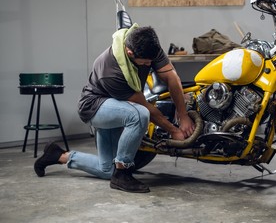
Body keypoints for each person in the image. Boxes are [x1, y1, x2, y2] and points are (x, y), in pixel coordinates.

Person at [34, 24, 195, 193]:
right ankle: (123, 173)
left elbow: (171, 77)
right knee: (140, 115)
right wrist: (173, 130)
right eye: (146, 62)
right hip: (95, 106)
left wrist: (183, 116)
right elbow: (143, 105)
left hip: (118, 105)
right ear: (130, 53)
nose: (150, 64)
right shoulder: (110, 70)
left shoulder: (148, 44)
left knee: (107, 170)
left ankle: (58, 155)